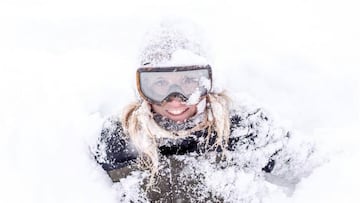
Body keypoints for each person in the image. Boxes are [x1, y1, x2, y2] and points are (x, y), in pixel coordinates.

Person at [93, 21, 318, 202]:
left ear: (208, 82)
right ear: (142, 89)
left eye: (188, 82)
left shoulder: (243, 128)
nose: (175, 100)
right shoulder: (119, 139)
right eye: (160, 84)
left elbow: (317, 169)